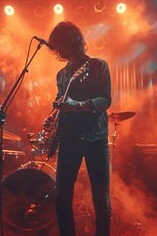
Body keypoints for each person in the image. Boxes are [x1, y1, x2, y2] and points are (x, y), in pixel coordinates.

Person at [43, 21, 112, 236]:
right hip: (69, 138)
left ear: (71, 42)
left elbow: (106, 99)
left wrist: (79, 106)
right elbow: (60, 99)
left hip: (96, 139)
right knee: (62, 197)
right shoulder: (62, 74)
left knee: (101, 199)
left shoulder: (99, 65)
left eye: (59, 44)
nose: (57, 51)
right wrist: (52, 115)